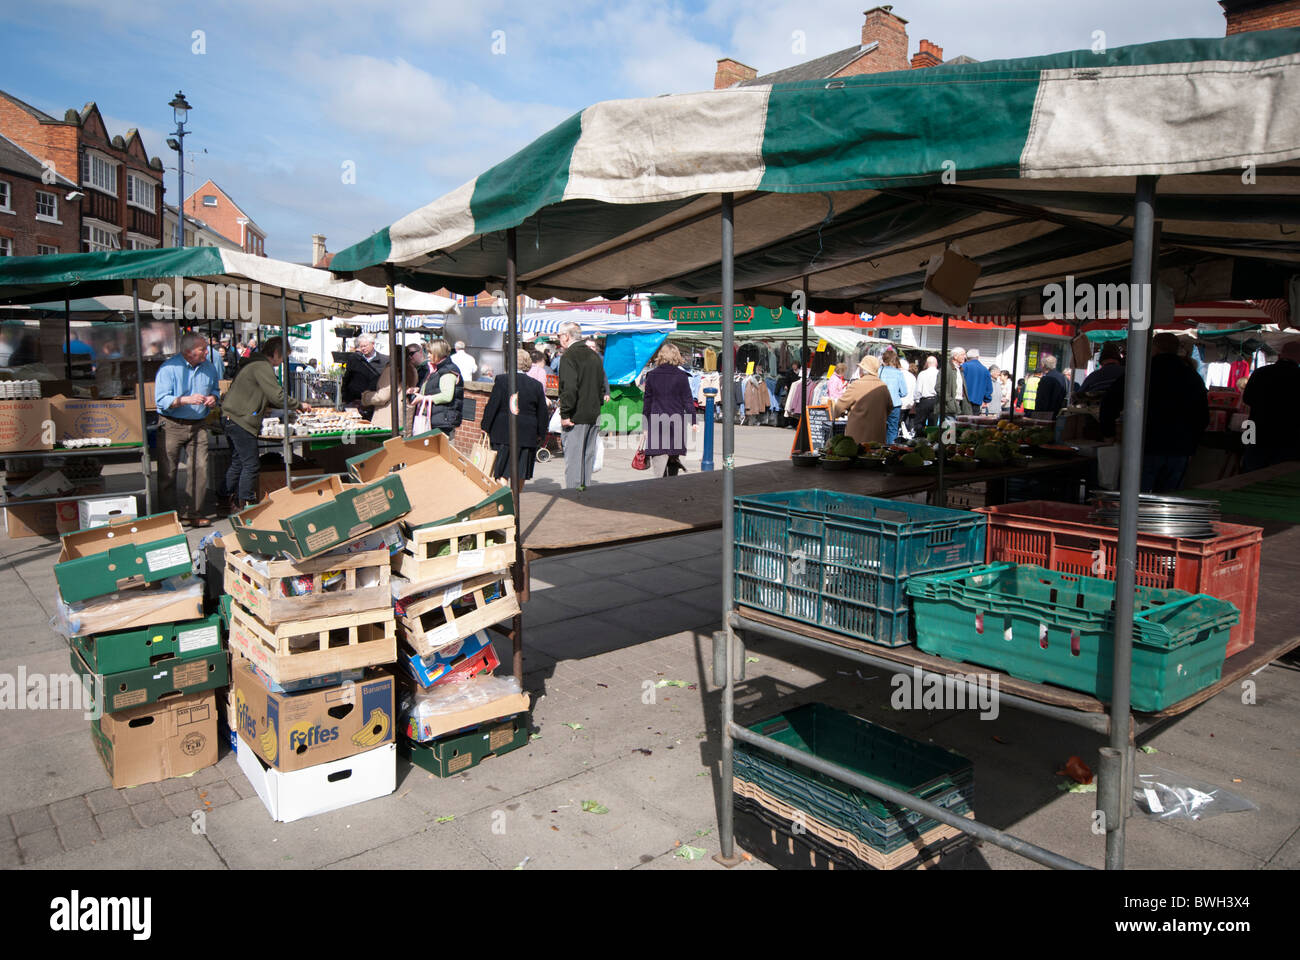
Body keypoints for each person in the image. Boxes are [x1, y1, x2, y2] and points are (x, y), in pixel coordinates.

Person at [1100, 334, 1208, 491]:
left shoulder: (1141, 372)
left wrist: (1108, 433)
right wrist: (1191, 446)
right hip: (1178, 449)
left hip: (1144, 445)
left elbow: (1109, 402)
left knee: (1135, 499)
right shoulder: (1192, 376)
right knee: (1166, 503)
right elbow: (1202, 417)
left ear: (1154, 348)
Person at [220, 337, 311, 511]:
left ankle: (224, 497)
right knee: (251, 464)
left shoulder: (253, 364)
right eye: (283, 356)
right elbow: (276, 395)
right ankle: (245, 504)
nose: (283, 360)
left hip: (233, 417)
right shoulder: (262, 366)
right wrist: (299, 405)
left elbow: (259, 393)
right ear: (276, 353)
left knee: (239, 462)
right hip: (241, 419)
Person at [154, 332, 221, 527]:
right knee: (168, 472)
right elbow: (161, 400)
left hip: (198, 424)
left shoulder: (209, 367)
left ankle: (193, 513)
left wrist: (213, 398)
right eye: (203, 349)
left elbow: (215, 389)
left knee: (200, 468)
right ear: (188, 351)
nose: (207, 352)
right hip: (171, 424)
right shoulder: (168, 369)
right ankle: (168, 518)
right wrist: (185, 399)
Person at [481, 348, 548, 484]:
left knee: (502, 471)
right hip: (527, 433)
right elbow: (542, 412)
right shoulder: (536, 385)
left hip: (503, 432)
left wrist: (485, 426)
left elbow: (493, 405)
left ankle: (507, 501)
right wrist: (542, 433)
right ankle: (514, 500)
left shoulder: (502, 380)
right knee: (521, 473)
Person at [557, 321, 604, 490]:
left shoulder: (569, 356)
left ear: (567, 336)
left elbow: (569, 389)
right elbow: (601, 387)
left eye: (559, 336)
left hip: (576, 416)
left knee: (574, 461)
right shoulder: (594, 356)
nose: (558, 339)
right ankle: (585, 494)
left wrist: (565, 414)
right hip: (593, 415)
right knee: (587, 459)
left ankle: (574, 499)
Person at [1240, 341, 1300, 472]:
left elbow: (1247, 399)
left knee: (1250, 475)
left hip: (1257, 432)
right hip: (1289, 437)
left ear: (1280, 355)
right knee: (1279, 478)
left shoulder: (1260, 373)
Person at [641, 342, 696, 477]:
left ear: (661, 356)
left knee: (658, 468)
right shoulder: (682, 377)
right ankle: (671, 491)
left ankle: (659, 493)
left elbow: (647, 403)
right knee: (673, 462)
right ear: (676, 356)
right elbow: (688, 401)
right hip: (676, 424)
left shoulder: (652, 375)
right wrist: (694, 421)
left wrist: (645, 426)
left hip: (656, 423)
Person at [829, 355, 892, 445]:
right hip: (878, 437)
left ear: (862, 370)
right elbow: (890, 407)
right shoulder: (883, 386)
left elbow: (839, 406)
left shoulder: (856, 385)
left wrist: (838, 413)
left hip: (858, 437)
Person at [363, 342, 425, 433]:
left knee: (388, 444)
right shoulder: (412, 370)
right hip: (405, 413)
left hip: (389, 416)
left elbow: (382, 396)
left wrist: (365, 397)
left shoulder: (391, 370)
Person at [415, 337, 465, 438]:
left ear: (438, 352)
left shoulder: (447, 371)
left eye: (430, 352)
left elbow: (447, 396)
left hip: (442, 420)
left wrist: (424, 398)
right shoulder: (438, 369)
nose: (428, 355)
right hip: (438, 418)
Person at [341, 334, 388, 417]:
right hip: (356, 402)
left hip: (374, 402)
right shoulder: (354, 359)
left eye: (365, 346)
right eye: (361, 346)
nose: (363, 348)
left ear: (372, 344)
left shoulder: (385, 361)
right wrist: (345, 398)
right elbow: (347, 379)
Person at [878, 349, 909, 443]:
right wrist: (895, 394)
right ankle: (889, 449)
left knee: (879, 428)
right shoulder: (898, 373)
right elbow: (904, 392)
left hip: (880, 404)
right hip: (895, 404)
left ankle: (878, 448)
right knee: (892, 429)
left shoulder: (879, 371)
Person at [1032, 355, 1069, 420]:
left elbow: (1041, 399)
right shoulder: (1063, 378)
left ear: (1043, 365)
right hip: (1059, 413)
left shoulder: (1046, 379)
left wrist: (1036, 413)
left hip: (1046, 414)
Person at [961, 349, 993, 416]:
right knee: (973, 423)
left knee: (962, 423)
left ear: (967, 357)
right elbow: (989, 388)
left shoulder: (963, 367)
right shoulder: (985, 369)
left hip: (963, 402)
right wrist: (987, 399)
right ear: (978, 357)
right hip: (977, 402)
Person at [914, 355, 939, 428]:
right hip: (936, 400)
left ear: (927, 364)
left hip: (924, 401)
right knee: (933, 424)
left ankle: (920, 437)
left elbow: (918, 389)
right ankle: (931, 438)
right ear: (936, 364)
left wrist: (916, 401)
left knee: (919, 422)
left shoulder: (922, 374)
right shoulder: (939, 373)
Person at [943, 348, 966, 418]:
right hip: (949, 404)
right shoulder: (947, 368)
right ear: (955, 356)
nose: (965, 357)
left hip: (958, 401)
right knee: (950, 425)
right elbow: (939, 387)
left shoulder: (960, 369)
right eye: (962, 354)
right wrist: (949, 401)